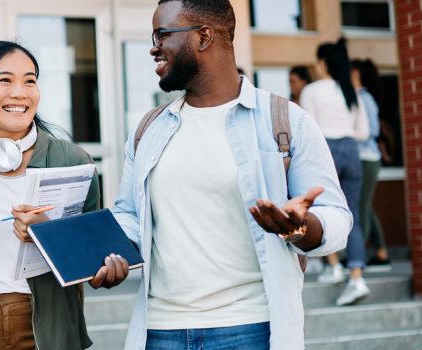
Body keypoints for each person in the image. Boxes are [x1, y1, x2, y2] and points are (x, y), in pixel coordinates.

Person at [112, 1, 352, 348]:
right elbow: (129, 219)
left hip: (250, 329)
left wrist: (298, 227)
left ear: (204, 37)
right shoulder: (148, 129)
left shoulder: (285, 121)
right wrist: (101, 255)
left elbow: (336, 218)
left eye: (161, 35)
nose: (153, 48)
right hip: (161, 332)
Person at [0, 41, 128, 350]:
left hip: (47, 328)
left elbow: (93, 260)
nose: (20, 92)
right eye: (5, 80)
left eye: (30, 80)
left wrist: (55, 238)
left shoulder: (72, 160)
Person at [300, 40, 371, 306]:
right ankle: (356, 278)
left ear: (323, 62)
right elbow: (364, 132)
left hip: (325, 151)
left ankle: (334, 267)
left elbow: (308, 130)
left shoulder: (312, 90)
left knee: (321, 209)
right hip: (352, 151)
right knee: (351, 212)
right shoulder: (350, 91)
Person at [351, 58, 390, 269]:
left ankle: (356, 257)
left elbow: (373, 130)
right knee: (367, 206)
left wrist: (350, 136)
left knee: (361, 206)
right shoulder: (359, 97)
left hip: (367, 158)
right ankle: (382, 252)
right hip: (364, 158)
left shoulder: (364, 98)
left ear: (355, 74)